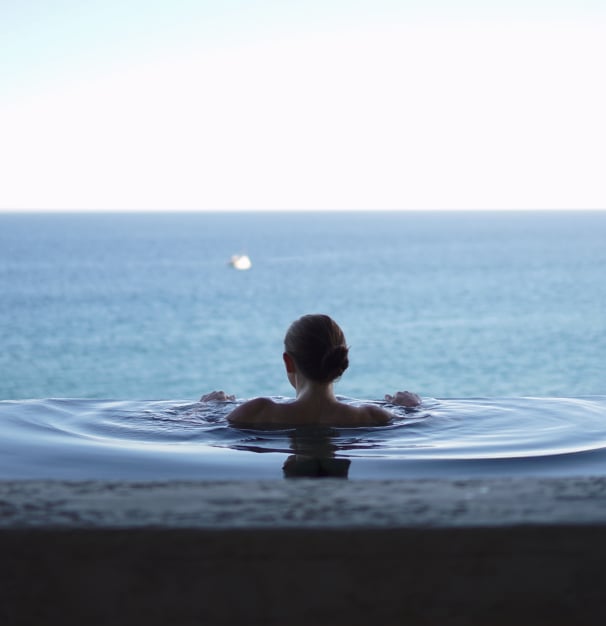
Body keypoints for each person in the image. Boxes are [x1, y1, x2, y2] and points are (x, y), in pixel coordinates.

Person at [201, 314, 421, 427]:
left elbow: (199, 428)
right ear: (341, 363)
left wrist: (206, 408)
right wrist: (411, 407)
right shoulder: (373, 416)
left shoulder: (257, 412)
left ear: (288, 362)